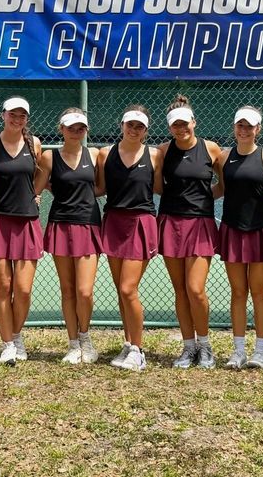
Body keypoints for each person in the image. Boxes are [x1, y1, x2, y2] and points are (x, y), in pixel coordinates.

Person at [156, 95, 221, 369]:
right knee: (180, 290)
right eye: (175, 124)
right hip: (171, 223)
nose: (181, 128)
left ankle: (205, 345)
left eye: (185, 123)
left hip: (200, 225)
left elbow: (223, 185)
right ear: (170, 127)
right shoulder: (162, 151)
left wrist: (203, 201)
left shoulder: (212, 149)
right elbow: (158, 187)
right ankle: (188, 347)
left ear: (194, 122)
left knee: (196, 289)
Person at [35, 108, 102, 365]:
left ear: (86, 130)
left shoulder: (95, 155)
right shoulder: (50, 159)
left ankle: (86, 338)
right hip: (61, 225)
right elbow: (36, 187)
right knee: (68, 289)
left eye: (81, 127)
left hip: (88, 225)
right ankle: (73, 343)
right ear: (60, 128)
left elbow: (102, 186)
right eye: (71, 127)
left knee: (84, 291)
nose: (76, 131)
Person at [0, 97, 43, 365]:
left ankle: (17, 335)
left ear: (27, 119)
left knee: (23, 289)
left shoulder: (34, 143)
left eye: (22, 116)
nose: (17, 119)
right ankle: (7, 344)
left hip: (27, 222)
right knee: (3, 286)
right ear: (3, 115)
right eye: (12, 114)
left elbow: (38, 176)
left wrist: (33, 195)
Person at [96, 105, 159, 372]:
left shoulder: (156, 155)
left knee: (127, 289)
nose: (134, 130)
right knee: (121, 290)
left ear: (146, 130)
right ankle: (128, 342)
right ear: (121, 125)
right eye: (130, 124)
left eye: (139, 126)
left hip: (141, 223)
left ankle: (138, 350)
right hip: (113, 222)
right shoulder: (103, 154)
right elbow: (99, 187)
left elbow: (161, 188)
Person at [217, 106, 263, 370]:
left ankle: (261, 351)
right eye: (239, 125)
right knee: (238, 291)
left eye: (249, 126)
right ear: (234, 127)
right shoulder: (222, 158)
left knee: (258, 290)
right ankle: (239, 351)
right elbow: (220, 188)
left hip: (261, 230)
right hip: (232, 229)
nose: (244, 130)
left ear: (258, 129)